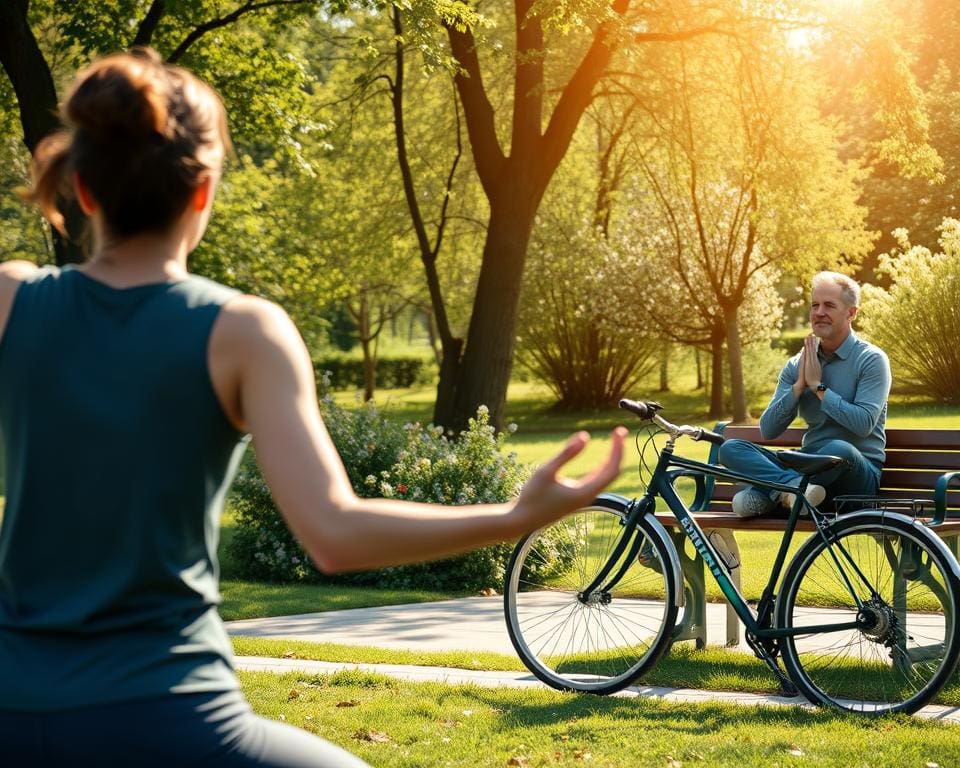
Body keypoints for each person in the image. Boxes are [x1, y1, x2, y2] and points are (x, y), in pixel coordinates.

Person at [0, 48, 626, 767]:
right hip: (167, 717)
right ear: (202, 192)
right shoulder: (243, 332)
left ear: (81, 189)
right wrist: (517, 516)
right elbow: (333, 533)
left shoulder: (12, 301)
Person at [719, 271, 891, 518]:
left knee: (839, 450)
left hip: (855, 477)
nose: (819, 312)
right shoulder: (798, 364)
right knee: (731, 448)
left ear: (851, 313)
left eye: (829, 305)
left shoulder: (872, 360)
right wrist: (799, 386)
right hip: (809, 473)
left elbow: (863, 424)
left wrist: (818, 387)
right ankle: (792, 492)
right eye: (815, 305)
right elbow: (768, 429)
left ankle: (773, 494)